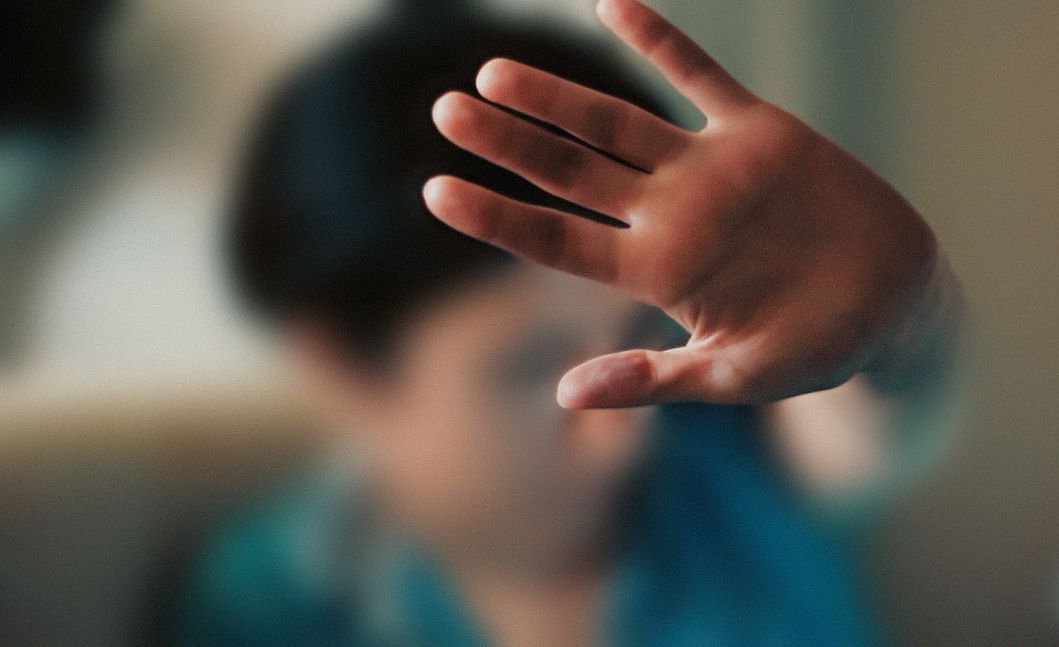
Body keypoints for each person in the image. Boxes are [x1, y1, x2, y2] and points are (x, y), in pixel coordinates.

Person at [174, 0, 966, 644]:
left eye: (644, 339)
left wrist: (903, 315)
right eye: (535, 371)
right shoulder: (269, 607)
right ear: (340, 365)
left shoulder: (716, 457)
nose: (624, 441)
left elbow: (870, 424)